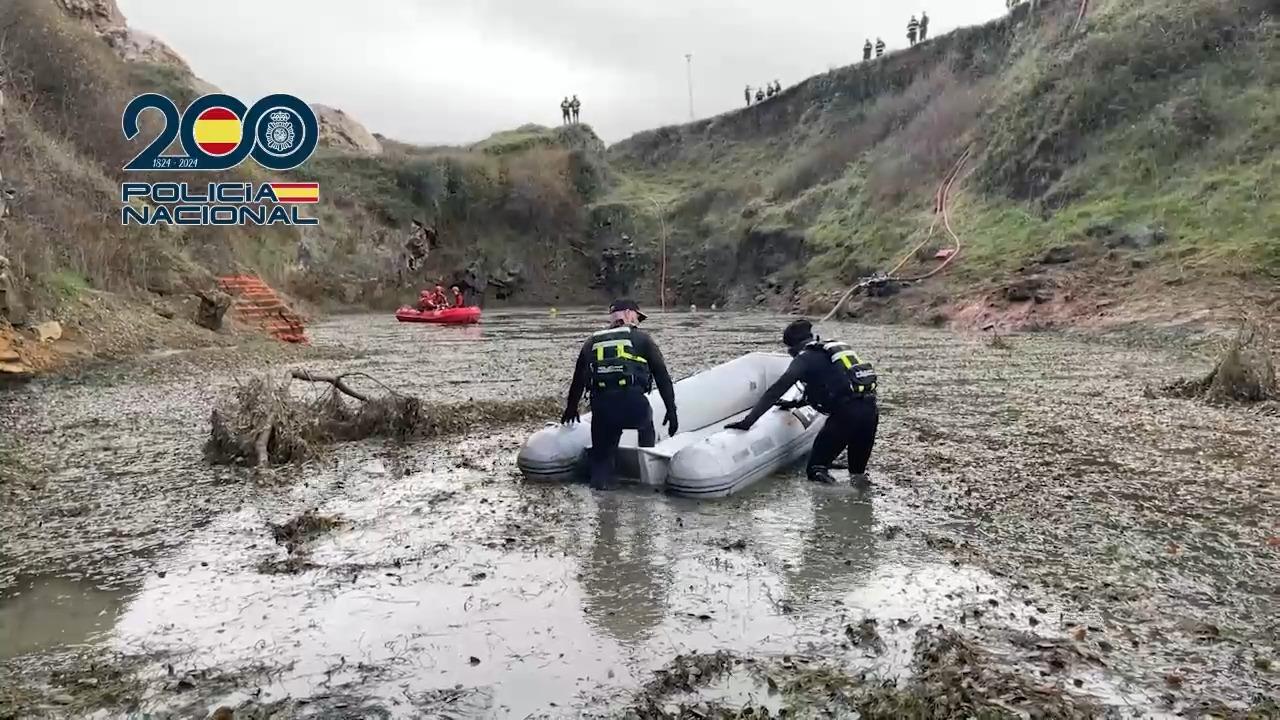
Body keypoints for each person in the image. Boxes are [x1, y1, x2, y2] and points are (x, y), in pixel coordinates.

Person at [725, 319, 879, 485]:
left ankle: (829, 500)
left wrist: (748, 421)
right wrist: (796, 404)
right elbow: (835, 385)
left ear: (792, 347)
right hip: (871, 413)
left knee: (815, 470)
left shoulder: (805, 358)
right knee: (857, 473)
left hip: (846, 416)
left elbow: (776, 390)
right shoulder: (833, 351)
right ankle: (863, 499)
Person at [561, 299, 678, 490]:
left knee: (602, 454)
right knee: (646, 425)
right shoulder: (642, 339)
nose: (638, 322)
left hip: (602, 407)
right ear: (629, 314)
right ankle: (646, 472)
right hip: (633, 405)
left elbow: (578, 380)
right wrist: (671, 411)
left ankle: (601, 490)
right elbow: (662, 377)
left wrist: (571, 408)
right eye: (638, 317)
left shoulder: (592, 341)